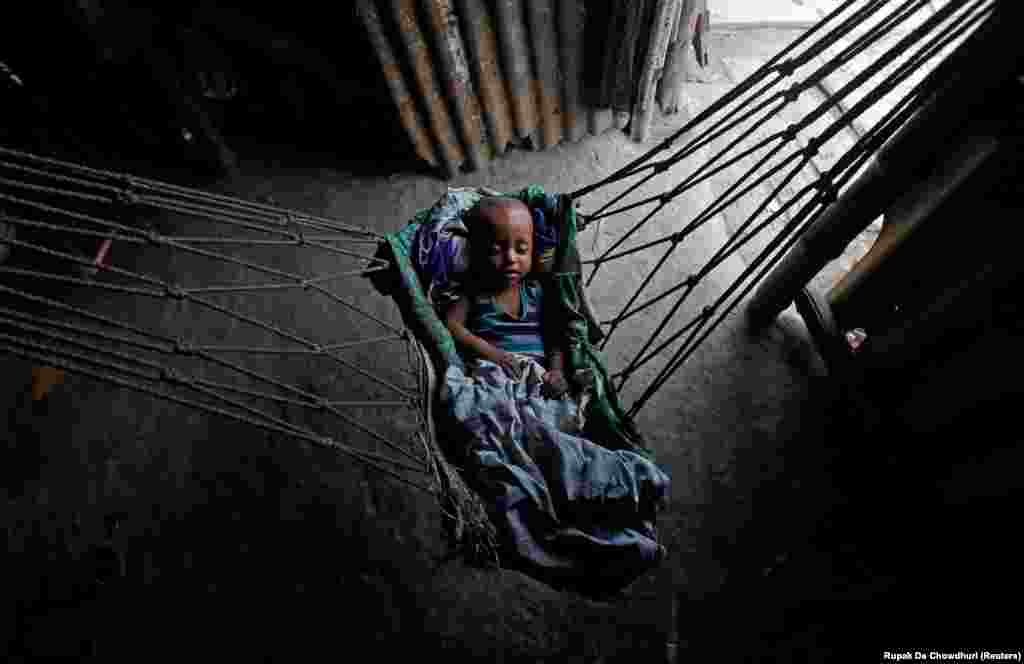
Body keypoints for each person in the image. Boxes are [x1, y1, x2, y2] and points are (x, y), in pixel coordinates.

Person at [444, 197, 570, 399]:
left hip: (539, 386)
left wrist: (557, 371)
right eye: (496, 250)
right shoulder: (476, 292)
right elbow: (452, 324)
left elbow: (555, 338)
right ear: (476, 253)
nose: (511, 257)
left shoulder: (536, 292)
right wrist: (492, 354)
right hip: (495, 383)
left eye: (522, 249)